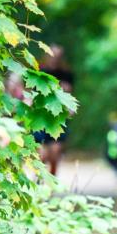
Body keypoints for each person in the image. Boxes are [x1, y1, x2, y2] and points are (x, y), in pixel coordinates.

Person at [36, 44, 73, 176]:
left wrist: (69, 107)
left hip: (58, 117)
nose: (55, 59)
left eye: (58, 56)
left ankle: (51, 181)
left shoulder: (66, 73)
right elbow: (31, 92)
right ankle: (38, 181)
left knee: (55, 152)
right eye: (53, 55)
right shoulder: (40, 71)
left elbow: (70, 94)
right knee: (42, 154)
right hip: (41, 116)